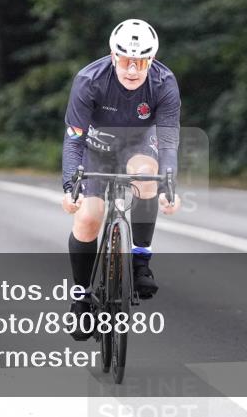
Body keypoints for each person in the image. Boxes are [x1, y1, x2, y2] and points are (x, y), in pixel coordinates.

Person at [60, 19, 182, 341]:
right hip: (96, 149)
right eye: (126, 60)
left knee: (146, 177)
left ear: (151, 60)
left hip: (139, 145)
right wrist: (71, 186)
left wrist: (170, 186)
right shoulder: (89, 80)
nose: (132, 69)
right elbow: (73, 140)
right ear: (113, 56)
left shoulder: (164, 82)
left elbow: (168, 141)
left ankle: (141, 260)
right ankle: (82, 297)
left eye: (140, 61)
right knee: (88, 218)